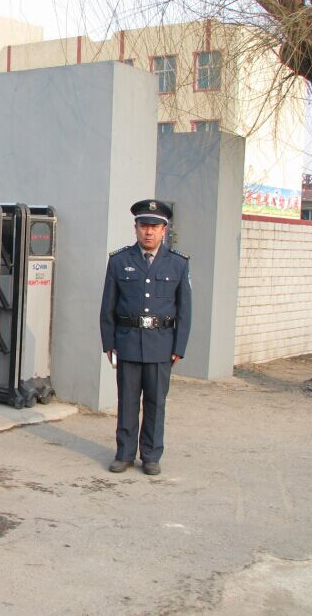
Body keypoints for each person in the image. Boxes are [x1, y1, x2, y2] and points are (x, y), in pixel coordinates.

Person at [99, 199, 192, 475]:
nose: (148, 232)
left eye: (154, 227)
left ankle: (151, 455)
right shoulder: (119, 261)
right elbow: (107, 306)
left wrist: (179, 347)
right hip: (127, 342)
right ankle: (124, 454)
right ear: (136, 228)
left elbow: (185, 310)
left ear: (164, 230)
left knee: (155, 403)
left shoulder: (178, 264)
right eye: (143, 226)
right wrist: (109, 343)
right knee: (127, 402)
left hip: (161, 344)